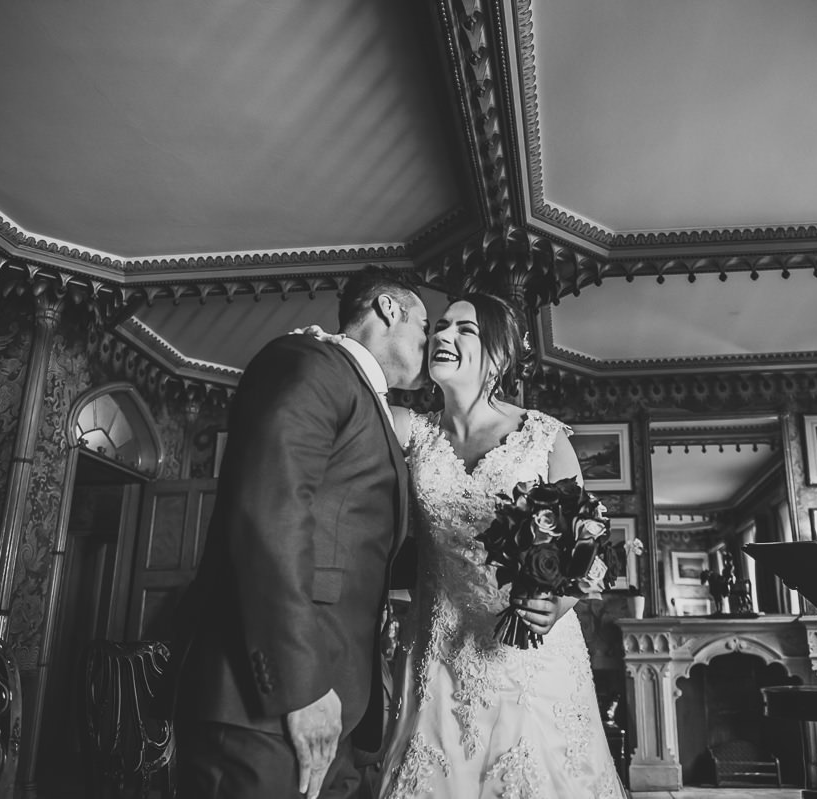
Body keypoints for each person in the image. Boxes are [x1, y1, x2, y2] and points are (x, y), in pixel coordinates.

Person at [170, 266, 429, 799]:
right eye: (425, 326)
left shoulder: (364, 397)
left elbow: (360, 549)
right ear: (388, 309)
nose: (431, 341)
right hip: (266, 705)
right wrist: (301, 686)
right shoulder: (309, 364)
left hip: (335, 701)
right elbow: (269, 513)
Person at [378, 293, 629, 798]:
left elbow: (590, 543)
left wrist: (559, 603)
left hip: (533, 659)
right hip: (440, 652)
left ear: (498, 355)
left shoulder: (542, 436)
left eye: (464, 329)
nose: (443, 337)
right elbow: (353, 398)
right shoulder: (411, 430)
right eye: (440, 326)